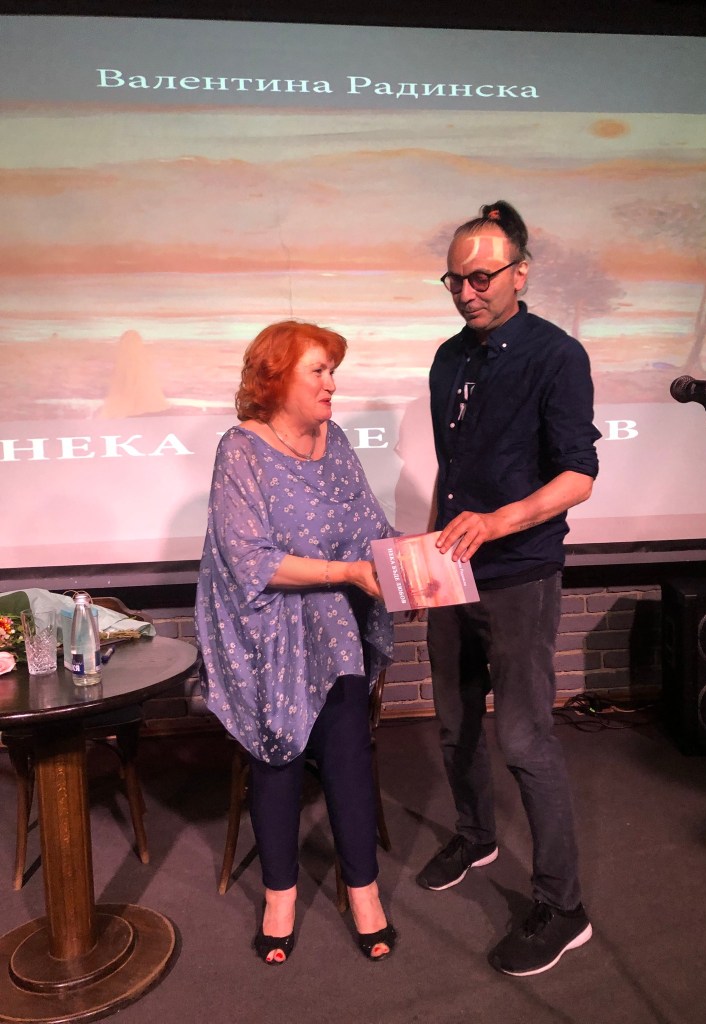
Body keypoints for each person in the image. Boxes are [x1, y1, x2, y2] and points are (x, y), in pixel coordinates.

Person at [417, 201, 600, 977]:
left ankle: (564, 908)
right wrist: (426, 554)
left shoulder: (557, 355)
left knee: (524, 740)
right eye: (454, 280)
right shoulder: (447, 358)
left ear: (520, 273)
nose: (467, 292)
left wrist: (496, 523)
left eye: (481, 277)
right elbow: (452, 471)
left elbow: (579, 476)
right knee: (455, 723)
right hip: (450, 574)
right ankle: (476, 835)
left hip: (521, 574)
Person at [195, 320, 397, 965]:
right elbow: (249, 559)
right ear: (276, 379)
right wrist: (345, 572)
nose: (332, 384)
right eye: (319, 371)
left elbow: (370, 527)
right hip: (264, 633)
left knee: (347, 753)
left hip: (333, 626)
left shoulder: (336, 443)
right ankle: (279, 897)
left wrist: (416, 565)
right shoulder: (241, 450)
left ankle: (364, 893)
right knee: (277, 758)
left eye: (333, 371)